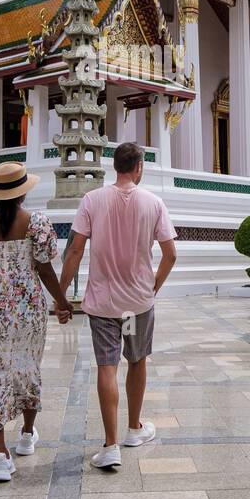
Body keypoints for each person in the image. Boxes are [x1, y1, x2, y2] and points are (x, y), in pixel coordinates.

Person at [59, 142, 177, 470]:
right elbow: (170, 254)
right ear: (139, 168)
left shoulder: (92, 200)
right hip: (136, 304)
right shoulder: (153, 203)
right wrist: (153, 286)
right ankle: (134, 429)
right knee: (137, 361)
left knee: (107, 366)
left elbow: (75, 251)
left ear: (115, 167)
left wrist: (61, 294)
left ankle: (110, 445)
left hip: (103, 304)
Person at [0, 161, 71, 482]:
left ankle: (0, 456)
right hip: (28, 313)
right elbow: (45, 269)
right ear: (23, 193)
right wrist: (61, 302)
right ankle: (26, 435)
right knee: (27, 368)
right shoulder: (35, 222)